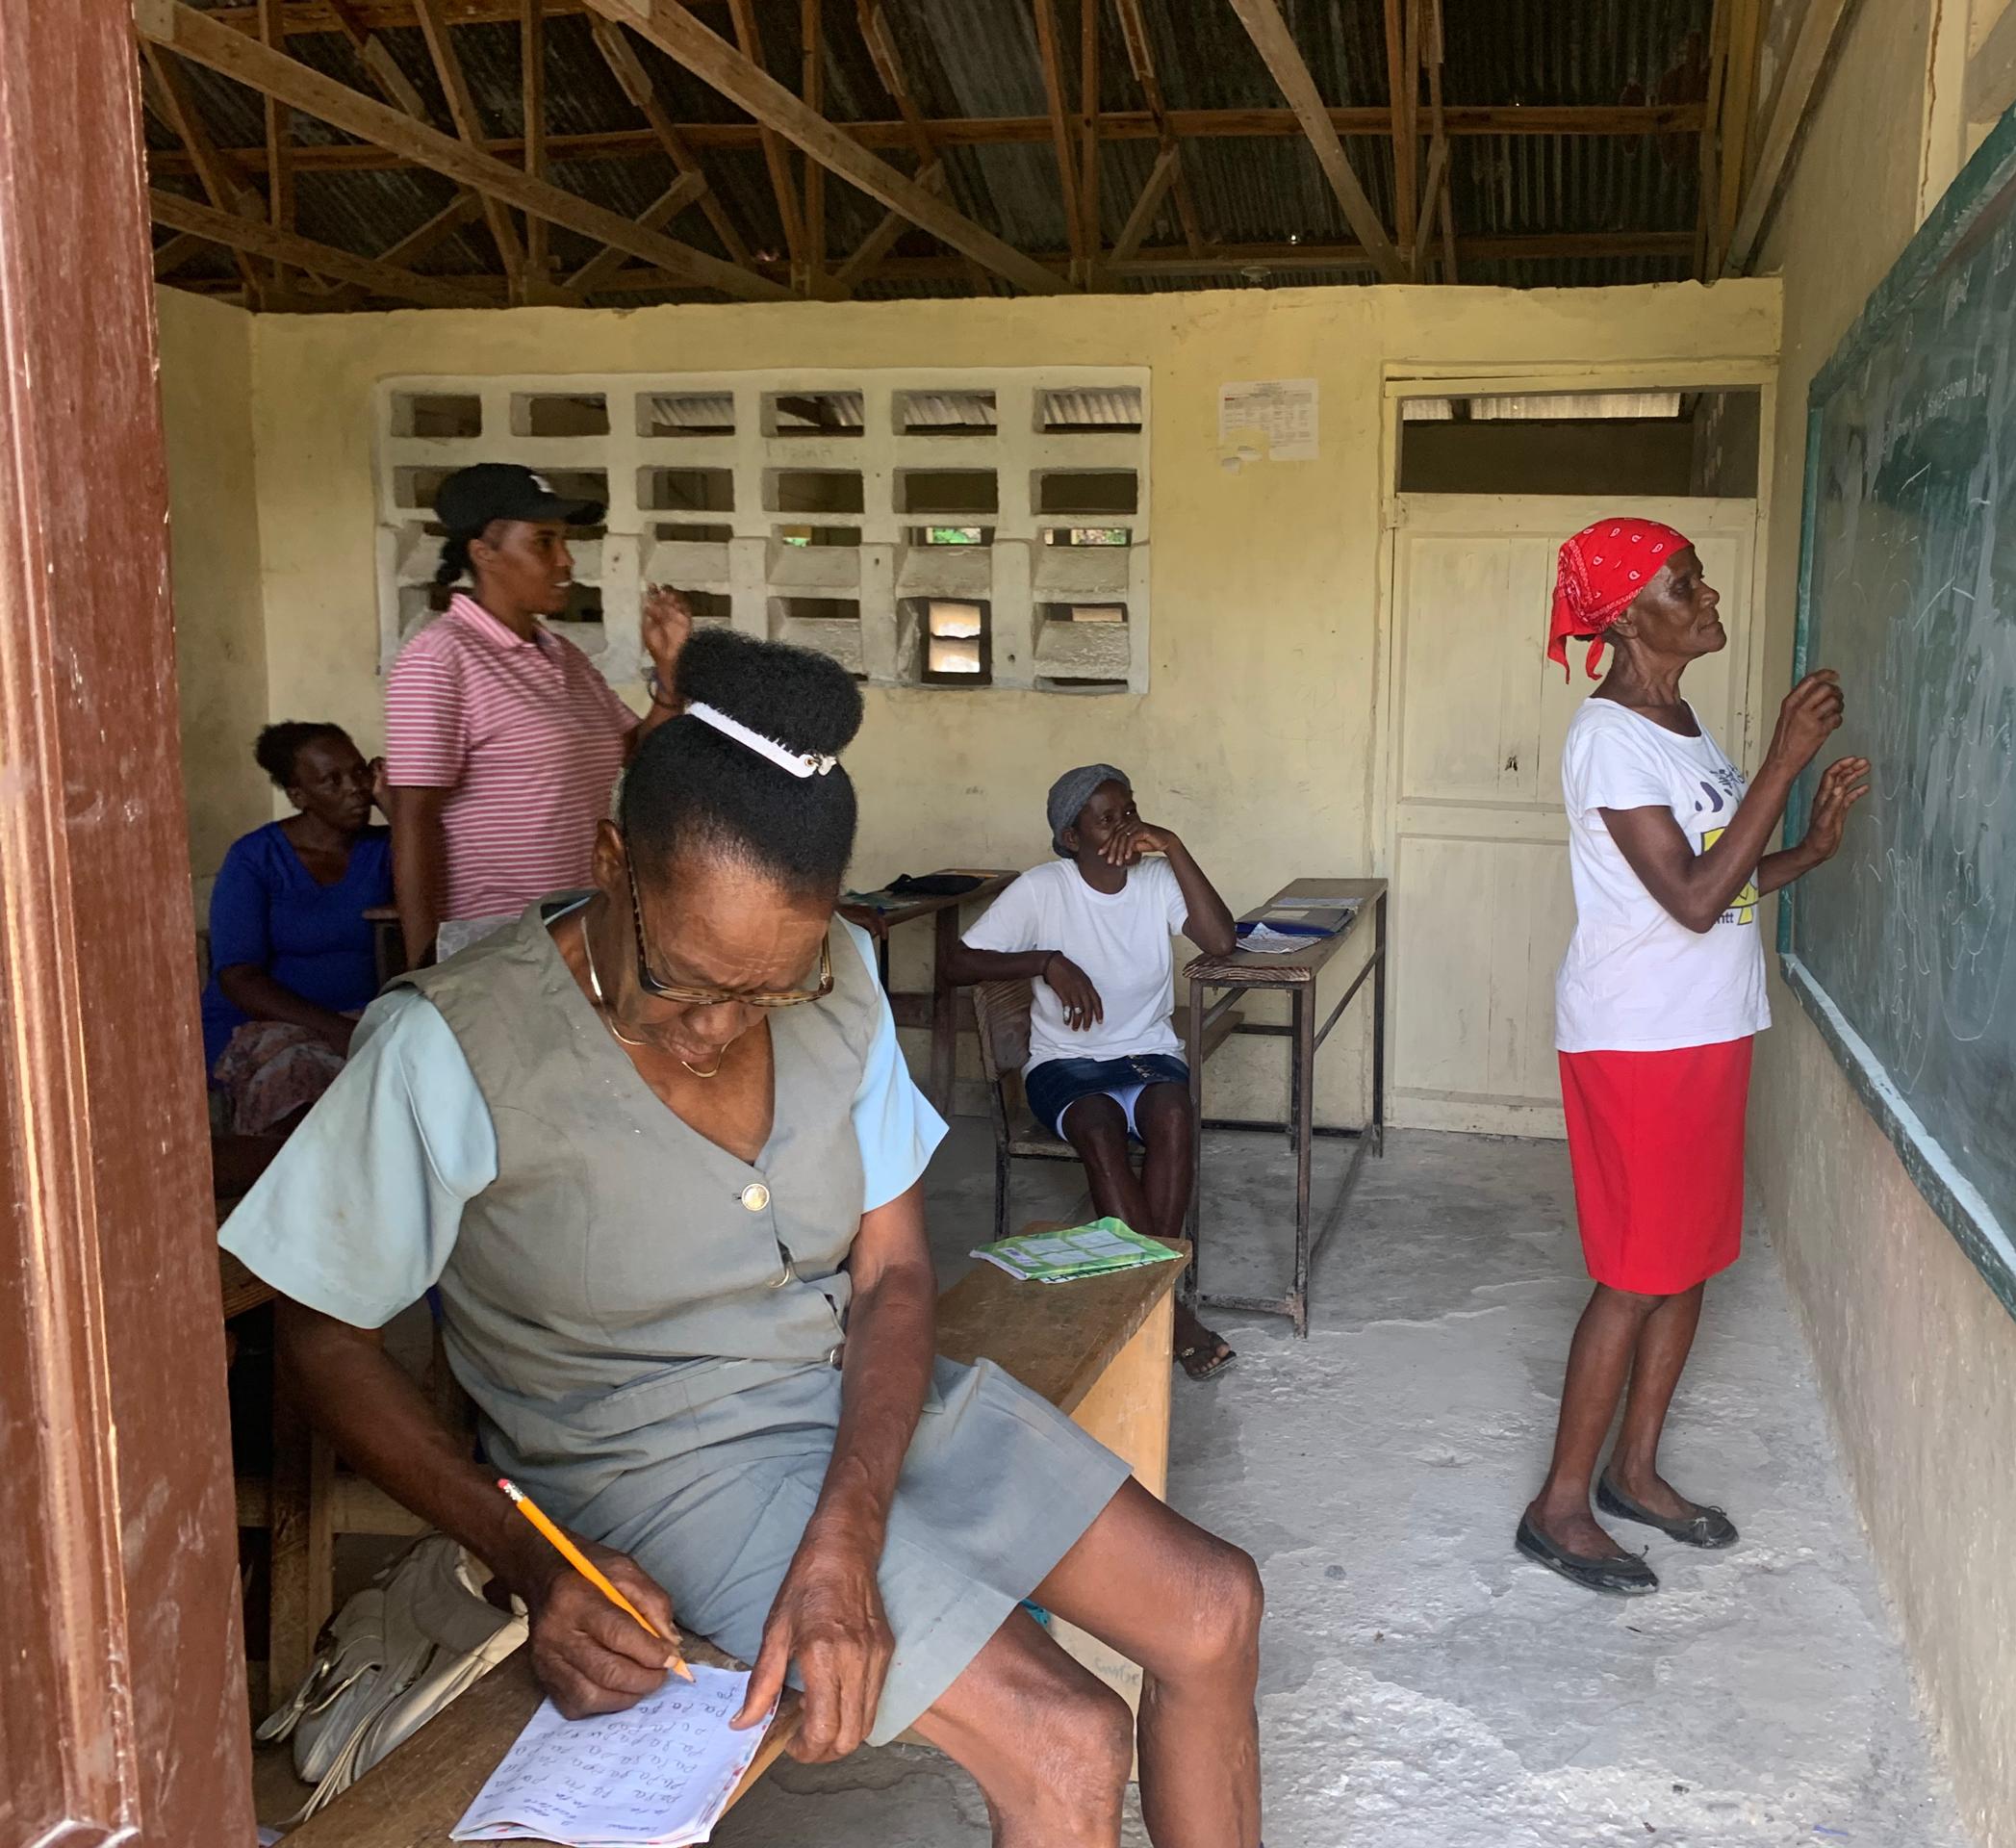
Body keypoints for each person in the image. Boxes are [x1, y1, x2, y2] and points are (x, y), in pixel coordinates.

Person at [219, 632, 1263, 1847]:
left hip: (863, 1399)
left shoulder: (848, 974)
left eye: (773, 991)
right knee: (1064, 1739)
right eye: (686, 981)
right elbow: (324, 1339)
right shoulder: (451, 1042)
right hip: (655, 1468)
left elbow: (894, 1274)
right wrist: (532, 1555)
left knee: (1215, 1606)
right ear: (612, 864)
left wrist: (848, 1530)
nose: (720, 1029)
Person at [1516, 519, 1871, 1595]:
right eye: (1685, 585)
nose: (1708, 597)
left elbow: (1719, 869)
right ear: (1628, 617)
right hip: (1639, 1040)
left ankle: (1634, 1472)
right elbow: (1691, 898)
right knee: (1634, 1274)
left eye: (1700, 579)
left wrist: (1807, 849)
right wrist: (1784, 762)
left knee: (1689, 1260)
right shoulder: (1609, 738)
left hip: (1707, 1025)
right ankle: (1558, 1507)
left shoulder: (1677, 722)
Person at [947, 768, 1242, 1381]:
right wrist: (1046, 962)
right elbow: (955, 962)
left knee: (1173, 1112)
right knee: (1098, 1123)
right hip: (1065, 1061)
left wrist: (1175, 846)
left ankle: (1150, 1300)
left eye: (1130, 812)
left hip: (1147, 1050)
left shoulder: (1157, 879)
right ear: (1071, 837)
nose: (1126, 828)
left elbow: (1219, 941)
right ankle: (1170, 1311)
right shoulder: (1043, 889)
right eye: (1107, 819)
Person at [386, 463, 693, 966]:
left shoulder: (563, 656)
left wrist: (670, 672)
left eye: (564, 541)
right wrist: (426, 961)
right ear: (483, 552)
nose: (565, 559)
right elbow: (413, 818)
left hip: (582, 931)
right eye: (543, 543)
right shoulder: (439, 658)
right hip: (499, 945)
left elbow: (639, 755)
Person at [202, 722, 394, 1140]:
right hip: (263, 1022)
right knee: (296, 1074)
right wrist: (336, 1029)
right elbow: (238, 976)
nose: (355, 789)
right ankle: (283, 1175)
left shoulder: (388, 849)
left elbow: (436, 911)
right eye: (332, 780)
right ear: (297, 795)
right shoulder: (256, 858)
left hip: (362, 1017)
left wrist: (400, 812)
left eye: (360, 772)